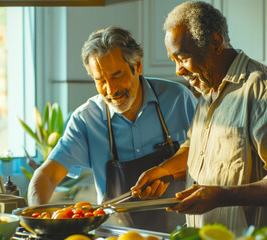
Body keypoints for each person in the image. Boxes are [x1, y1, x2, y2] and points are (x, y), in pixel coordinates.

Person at [131, 1, 267, 235]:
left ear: (215, 43)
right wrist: (163, 170)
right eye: (173, 61)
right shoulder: (208, 92)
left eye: (183, 57)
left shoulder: (262, 90)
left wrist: (222, 195)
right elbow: (196, 149)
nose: (178, 70)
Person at [27, 26, 198, 232]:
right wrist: (38, 221)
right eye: (100, 80)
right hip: (115, 236)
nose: (111, 89)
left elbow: (204, 156)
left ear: (138, 65)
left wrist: (169, 172)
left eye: (117, 75)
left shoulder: (178, 98)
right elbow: (46, 175)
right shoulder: (85, 119)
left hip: (181, 232)